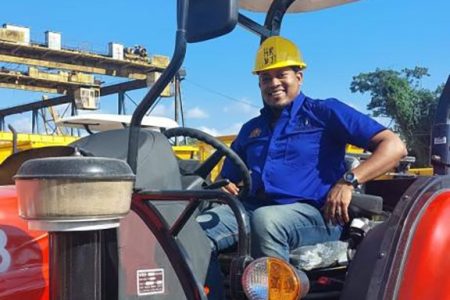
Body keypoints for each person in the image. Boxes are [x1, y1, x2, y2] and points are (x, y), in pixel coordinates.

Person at [197, 36, 407, 265]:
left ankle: (274, 291)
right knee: (193, 229)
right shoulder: (251, 130)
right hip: (253, 209)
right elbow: (227, 179)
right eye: (266, 78)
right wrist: (226, 186)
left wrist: (348, 181)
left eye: (281, 75)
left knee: (267, 220)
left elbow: (394, 146)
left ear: (299, 77)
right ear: (259, 85)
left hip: (316, 215)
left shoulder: (324, 113)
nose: (273, 83)